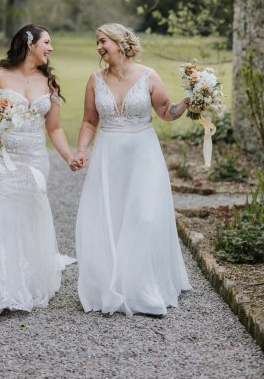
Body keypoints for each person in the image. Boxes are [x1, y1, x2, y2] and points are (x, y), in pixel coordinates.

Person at [74, 23, 191, 317]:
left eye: (103, 41)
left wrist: (192, 99)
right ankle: (112, 284)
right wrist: (80, 151)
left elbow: (166, 112)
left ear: (120, 42)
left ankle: (143, 287)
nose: (99, 47)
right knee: (111, 216)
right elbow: (89, 122)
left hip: (143, 152)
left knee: (145, 214)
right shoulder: (94, 79)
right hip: (108, 154)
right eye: (97, 42)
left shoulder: (148, 75)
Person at [0, 24, 77, 316]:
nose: (51, 48)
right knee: (1, 214)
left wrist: (69, 156)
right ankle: (1, 291)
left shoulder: (49, 83)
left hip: (34, 157)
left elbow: (54, 128)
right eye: (47, 43)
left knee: (27, 217)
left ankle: (26, 279)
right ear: (30, 44)